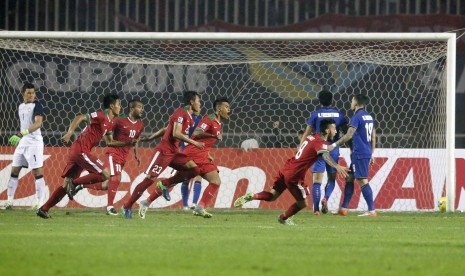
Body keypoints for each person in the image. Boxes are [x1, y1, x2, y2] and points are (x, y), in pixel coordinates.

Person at [234, 119, 349, 225]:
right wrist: (337, 166)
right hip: (295, 175)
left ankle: (252, 196)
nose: (335, 131)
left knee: (272, 196)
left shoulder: (312, 137)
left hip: (286, 169)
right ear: (327, 130)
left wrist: (336, 144)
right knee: (303, 203)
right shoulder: (320, 143)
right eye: (334, 128)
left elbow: (323, 149)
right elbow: (325, 155)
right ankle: (283, 218)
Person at [36, 93, 130, 219]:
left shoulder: (110, 123)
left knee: (65, 185)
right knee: (105, 174)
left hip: (79, 152)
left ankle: (44, 209)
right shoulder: (101, 116)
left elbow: (110, 142)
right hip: (80, 150)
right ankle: (76, 184)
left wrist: (127, 143)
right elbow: (80, 117)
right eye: (119, 104)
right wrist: (70, 133)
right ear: (112, 106)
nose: (121, 107)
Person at [138, 97, 230, 219]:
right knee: (180, 180)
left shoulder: (218, 123)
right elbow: (196, 133)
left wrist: (208, 154)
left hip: (202, 156)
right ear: (219, 108)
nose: (229, 110)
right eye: (227, 107)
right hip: (192, 154)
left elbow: (204, 141)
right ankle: (149, 200)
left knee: (215, 181)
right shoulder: (209, 119)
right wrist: (213, 135)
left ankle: (199, 207)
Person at [121, 91, 204, 219]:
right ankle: (127, 206)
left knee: (195, 169)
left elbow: (167, 129)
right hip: (164, 151)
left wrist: (151, 137)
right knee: (149, 180)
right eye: (198, 101)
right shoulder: (180, 113)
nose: (200, 104)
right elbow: (176, 133)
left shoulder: (189, 117)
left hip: (175, 152)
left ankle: (165, 184)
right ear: (191, 102)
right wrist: (194, 142)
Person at [72, 99, 148, 215]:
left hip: (124, 156)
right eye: (139, 107)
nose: (142, 109)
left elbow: (135, 140)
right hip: (114, 153)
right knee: (115, 179)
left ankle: (81, 185)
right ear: (132, 108)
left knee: (108, 184)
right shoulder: (119, 120)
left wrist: (136, 153)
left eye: (143, 107)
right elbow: (107, 133)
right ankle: (109, 207)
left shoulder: (140, 125)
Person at [328, 94, 377, 217]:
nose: (351, 102)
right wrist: (372, 153)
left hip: (359, 152)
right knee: (349, 178)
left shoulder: (357, 116)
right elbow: (373, 137)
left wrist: (334, 145)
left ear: (355, 102)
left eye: (351, 100)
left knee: (362, 180)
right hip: (364, 152)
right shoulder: (369, 116)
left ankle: (372, 210)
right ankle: (343, 208)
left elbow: (348, 135)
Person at [300, 90, 347, 215]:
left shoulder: (315, 114)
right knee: (331, 178)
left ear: (319, 101)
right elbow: (346, 133)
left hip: (318, 148)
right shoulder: (339, 115)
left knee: (317, 180)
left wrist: (301, 147)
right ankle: (325, 198)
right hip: (333, 148)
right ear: (332, 100)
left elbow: (307, 132)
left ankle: (316, 210)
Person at [4, 83, 47, 210]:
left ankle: (40, 203)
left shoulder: (37, 105)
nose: (31, 95)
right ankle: (9, 202)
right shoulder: (21, 106)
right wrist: (21, 135)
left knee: (37, 172)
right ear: (23, 93)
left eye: (33, 93)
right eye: (28, 93)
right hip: (23, 142)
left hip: (34, 143)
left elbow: (38, 124)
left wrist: (20, 133)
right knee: (14, 171)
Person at [179, 112, 202, 210]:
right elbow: (200, 136)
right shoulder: (197, 121)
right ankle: (194, 203)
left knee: (185, 178)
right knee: (198, 176)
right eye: (199, 104)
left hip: (184, 152)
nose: (200, 108)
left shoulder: (181, 120)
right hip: (195, 152)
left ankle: (185, 205)